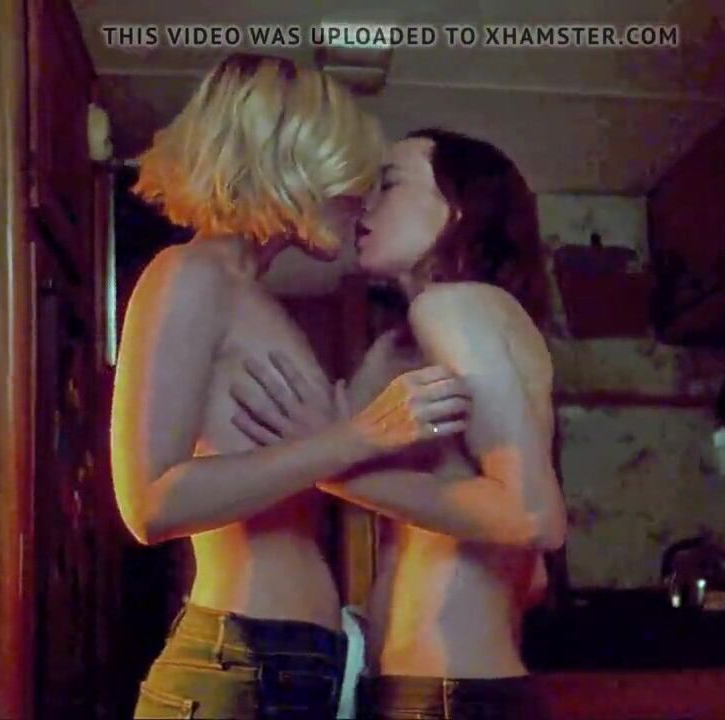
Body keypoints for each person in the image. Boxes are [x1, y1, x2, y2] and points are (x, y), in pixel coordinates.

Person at [111, 55, 477, 719]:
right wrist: (356, 436)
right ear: (292, 167)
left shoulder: (251, 295)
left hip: (292, 662)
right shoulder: (189, 273)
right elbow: (150, 504)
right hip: (241, 660)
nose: (359, 202)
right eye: (349, 178)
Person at [230, 128, 567, 719]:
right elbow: (530, 576)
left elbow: (535, 518)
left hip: (455, 695)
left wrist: (332, 469)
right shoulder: (396, 344)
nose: (366, 205)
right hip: (410, 686)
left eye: (389, 184)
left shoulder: (457, 306)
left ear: (457, 209)